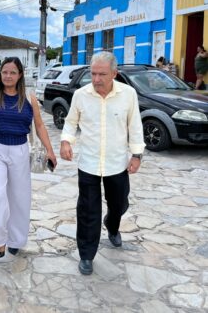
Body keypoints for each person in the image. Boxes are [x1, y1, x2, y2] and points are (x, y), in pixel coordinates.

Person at [60, 52, 145, 276]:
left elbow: (135, 126)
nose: (96, 79)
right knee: (88, 210)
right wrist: (66, 141)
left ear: (114, 74)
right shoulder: (80, 95)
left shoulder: (128, 94)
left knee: (118, 203)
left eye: (102, 74)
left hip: (117, 163)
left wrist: (137, 155)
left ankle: (112, 224)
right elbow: (70, 123)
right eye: (93, 73)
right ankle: (86, 255)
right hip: (88, 163)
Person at [0, 57, 57, 259]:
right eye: (4, 72)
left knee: (19, 198)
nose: (8, 76)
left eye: (12, 72)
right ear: (0, 74)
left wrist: (50, 150)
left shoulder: (29, 99)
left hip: (20, 150)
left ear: (20, 74)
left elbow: (39, 125)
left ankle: (16, 240)